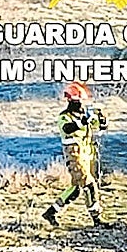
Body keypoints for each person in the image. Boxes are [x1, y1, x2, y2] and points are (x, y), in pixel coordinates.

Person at [42, 82, 105, 228]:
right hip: (74, 156)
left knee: (76, 189)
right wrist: (83, 121)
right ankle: (97, 219)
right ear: (71, 101)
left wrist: (102, 120)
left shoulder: (85, 115)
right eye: (79, 101)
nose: (82, 104)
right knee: (89, 185)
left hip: (87, 155)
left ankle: (51, 212)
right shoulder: (65, 117)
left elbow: (99, 127)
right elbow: (68, 128)